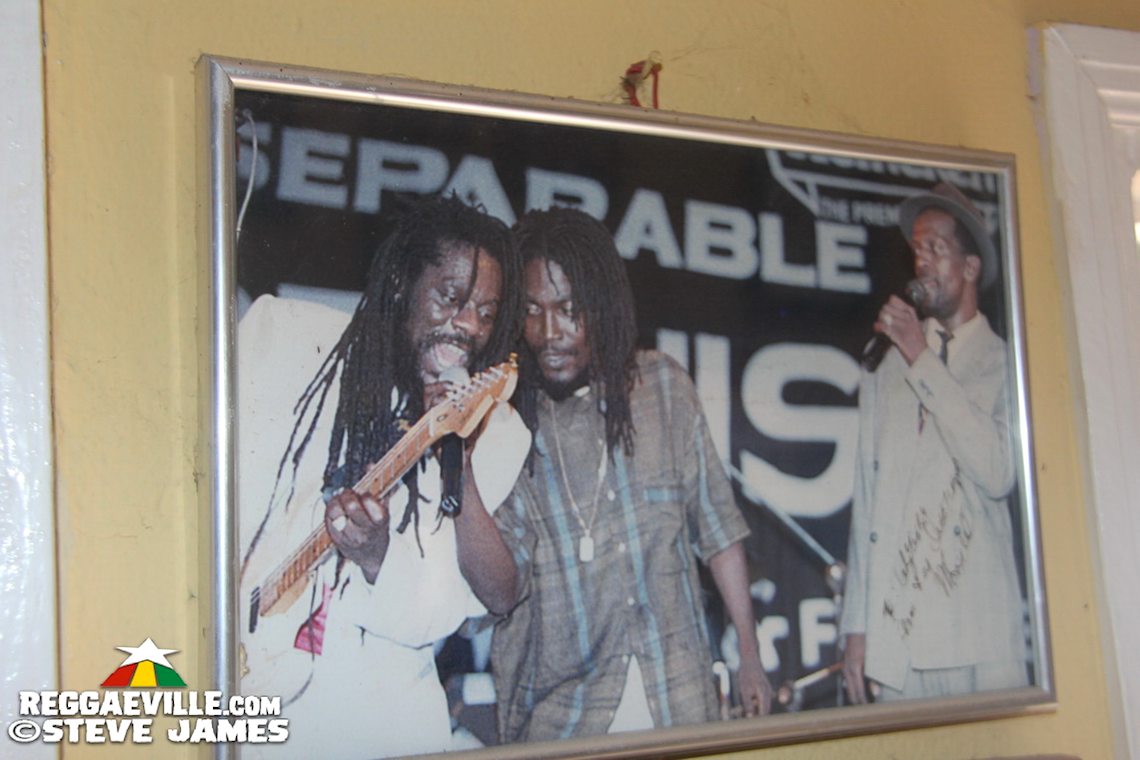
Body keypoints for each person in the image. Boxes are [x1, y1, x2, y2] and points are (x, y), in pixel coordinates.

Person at [236, 195, 530, 757]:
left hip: (383, 721)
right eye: (451, 298)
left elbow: (449, 611)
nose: (468, 324)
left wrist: (378, 556)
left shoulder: (498, 431)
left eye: (487, 313)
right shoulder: (290, 338)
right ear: (401, 282)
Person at [491, 206, 772, 744]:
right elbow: (500, 590)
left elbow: (718, 531)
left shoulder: (664, 387)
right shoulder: (506, 422)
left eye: (570, 309)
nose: (550, 332)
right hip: (564, 722)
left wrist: (750, 655)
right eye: (532, 310)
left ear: (602, 304)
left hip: (680, 706)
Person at [840, 182, 1028, 703]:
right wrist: (858, 626)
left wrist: (922, 357)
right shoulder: (883, 369)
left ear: (970, 268)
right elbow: (868, 502)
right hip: (900, 646)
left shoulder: (1007, 363)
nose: (921, 263)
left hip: (981, 638)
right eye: (917, 250)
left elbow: (997, 471)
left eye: (936, 249)